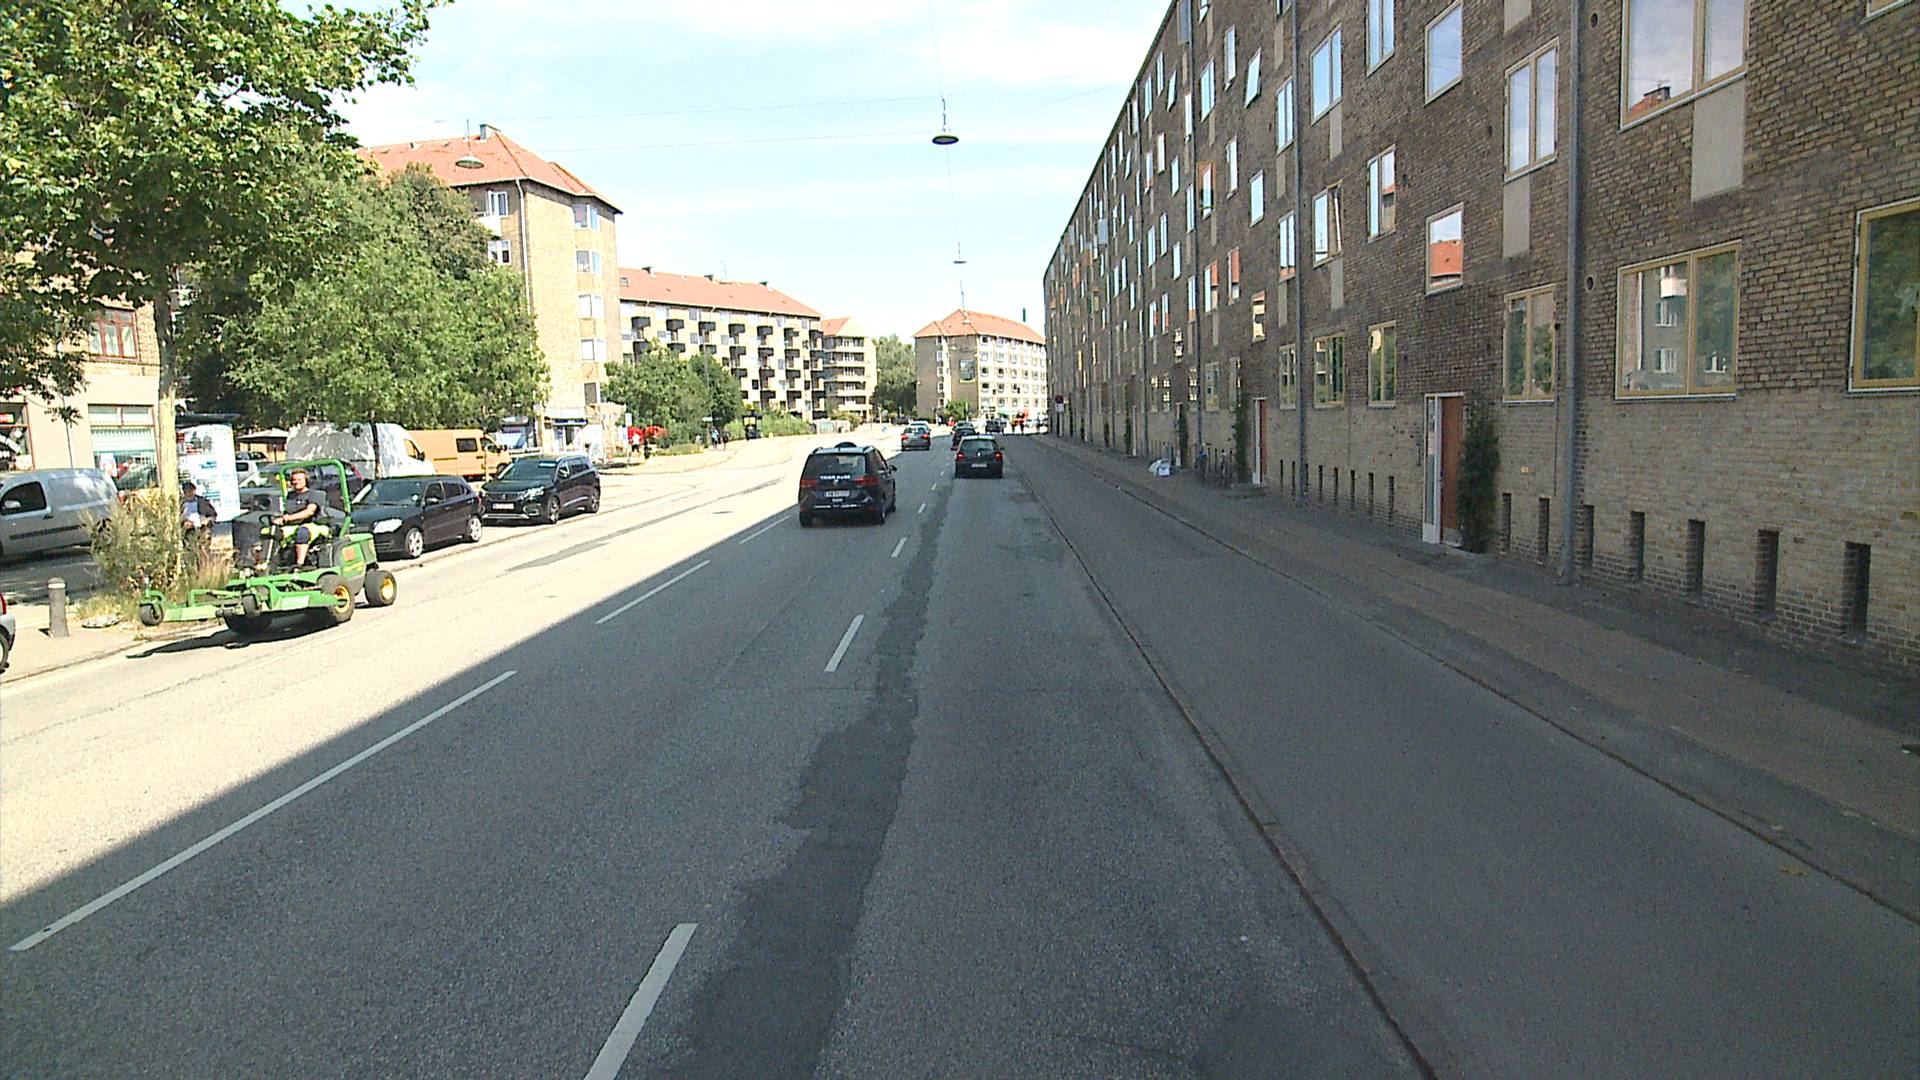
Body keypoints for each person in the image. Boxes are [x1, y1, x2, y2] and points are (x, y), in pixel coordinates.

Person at [270, 468, 330, 567]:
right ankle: (269, 563)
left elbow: (309, 512)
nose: (296, 482)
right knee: (271, 532)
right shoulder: (291, 496)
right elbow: (286, 513)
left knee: (302, 532)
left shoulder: (315, 494)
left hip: (314, 524)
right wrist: (280, 519)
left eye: (299, 479)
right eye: (294, 480)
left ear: (306, 481)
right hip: (293, 525)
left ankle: (299, 564)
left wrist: (289, 518)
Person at [181, 481, 218, 549]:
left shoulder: (202, 502)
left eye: (190, 491)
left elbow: (213, 515)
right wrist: (184, 522)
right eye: (186, 491)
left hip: (201, 528)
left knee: (205, 535)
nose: (189, 494)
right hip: (188, 529)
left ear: (194, 491)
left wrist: (207, 519)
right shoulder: (181, 503)